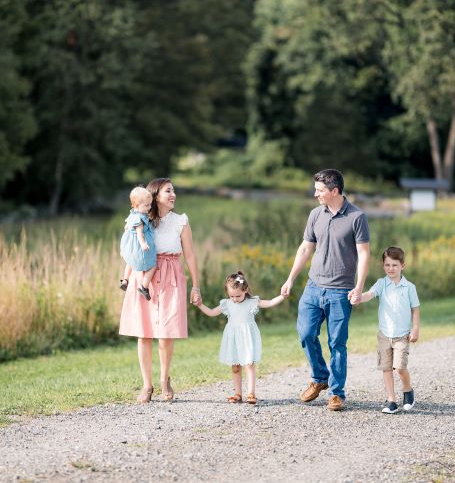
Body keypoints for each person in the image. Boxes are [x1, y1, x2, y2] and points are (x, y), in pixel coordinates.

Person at [281, 169, 370, 411]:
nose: (315, 194)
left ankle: (336, 393)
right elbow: (305, 249)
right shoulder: (315, 215)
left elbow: (363, 254)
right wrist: (290, 279)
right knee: (305, 333)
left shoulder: (357, 217)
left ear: (334, 190)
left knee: (337, 343)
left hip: (341, 291)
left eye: (320, 190)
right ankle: (320, 377)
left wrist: (359, 286)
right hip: (313, 287)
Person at [119, 178, 201, 404]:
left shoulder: (181, 221)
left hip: (171, 275)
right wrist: (127, 277)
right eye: (168, 191)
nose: (173, 194)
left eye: (173, 190)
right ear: (155, 196)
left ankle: (165, 379)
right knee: (143, 333)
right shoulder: (142, 219)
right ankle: (147, 385)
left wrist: (196, 285)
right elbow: (130, 247)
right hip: (145, 274)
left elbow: (191, 255)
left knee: (166, 333)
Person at [196, 271, 286, 405]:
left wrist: (282, 296)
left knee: (249, 364)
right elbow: (211, 313)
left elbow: (270, 302)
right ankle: (238, 393)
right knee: (235, 366)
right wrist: (199, 305)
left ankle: (251, 393)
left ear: (246, 290)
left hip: (247, 337)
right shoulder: (227, 303)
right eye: (231, 296)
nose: (235, 299)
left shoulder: (252, 302)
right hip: (233, 339)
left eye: (238, 295)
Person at [351, 246, 420, 414]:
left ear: (402, 266)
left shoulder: (409, 287)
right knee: (386, 368)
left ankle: (408, 390)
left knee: (400, 368)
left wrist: (416, 328)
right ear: (383, 265)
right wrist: (359, 298)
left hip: (402, 336)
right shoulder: (381, 284)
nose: (391, 268)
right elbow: (370, 294)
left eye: (395, 265)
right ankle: (391, 401)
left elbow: (415, 309)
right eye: (387, 265)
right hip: (384, 335)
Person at [119, 186, 157, 300]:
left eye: (150, 204)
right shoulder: (139, 219)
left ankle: (125, 280)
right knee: (153, 265)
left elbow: (126, 228)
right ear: (136, 205)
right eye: (146, 205)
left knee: (130, 262)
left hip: (130, 246)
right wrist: (143, 244)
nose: (149, 207)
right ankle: (144, 286)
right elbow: (140, 234)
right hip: (139, 246)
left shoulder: (132, 215)